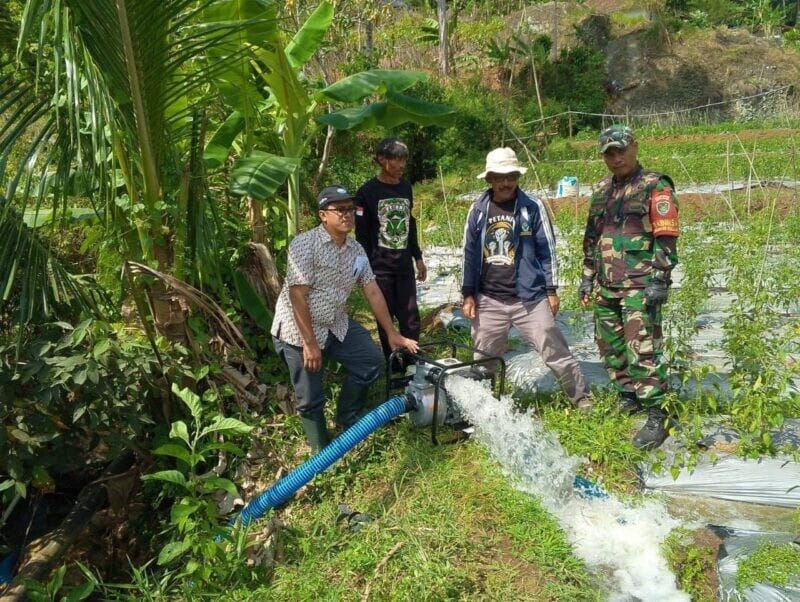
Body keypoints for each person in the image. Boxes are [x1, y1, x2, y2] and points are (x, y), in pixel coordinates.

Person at [271, 184, 419, 451]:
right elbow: (297, 296)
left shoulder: (356, 250)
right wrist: (310, 343)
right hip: (298, 331)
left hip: (335, 323)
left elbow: (372, 291)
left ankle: (347, 418)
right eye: (339, 209)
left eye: (350, 209)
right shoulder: (305, 244)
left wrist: (391, 333)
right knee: (311, 398)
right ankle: (321, 453)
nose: (347, 214)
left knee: (371, 361)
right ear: (322, 215)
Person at [461, 147, 591, 409]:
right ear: (489, 179)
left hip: (529, 298)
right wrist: (468, 294)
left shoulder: (532, 207)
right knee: (484, 355)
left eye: (511, 176)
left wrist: (551, 290)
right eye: (499, 177)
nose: (506, 182)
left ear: (517, 177)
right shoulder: (478, 210)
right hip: (489, 299)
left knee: (554, 349)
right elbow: (469, 252)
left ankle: (582, 399)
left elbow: (548, 249)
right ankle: (482, 405)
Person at [579, 125, 679, 450]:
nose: (616, 157)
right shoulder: (602, 190)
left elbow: (666, 236)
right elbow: (592, 238)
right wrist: (586, 277)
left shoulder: (655, 185)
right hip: (607, 285)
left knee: (643, 349)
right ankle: (629, 396)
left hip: (640, 285)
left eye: (621, 150)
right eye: (609, 153)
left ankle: (658, 413)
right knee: (610, 346)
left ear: (634, 146)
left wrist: (660, 280)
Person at [355, 138, 426, 373]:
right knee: (385, 318)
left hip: (404, 265)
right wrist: (366, 268)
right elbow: (362, 234)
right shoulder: (366, 193)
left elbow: (410, 224)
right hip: (380, 267)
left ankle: (411, 366)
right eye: (397, 159)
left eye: (404, 159)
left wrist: (418, 256)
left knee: (411, 317)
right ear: (382, 160)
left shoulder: (405, 187)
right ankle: (394, 365)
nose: (401, 164)